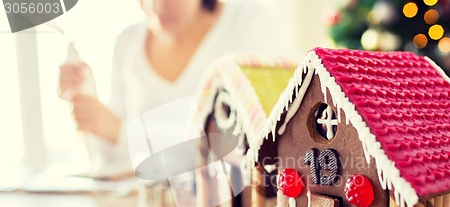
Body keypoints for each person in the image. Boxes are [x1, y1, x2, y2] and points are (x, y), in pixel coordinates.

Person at [59, 0, 285, 177]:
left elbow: (250, 145)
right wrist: (87, 100)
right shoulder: (127, 42)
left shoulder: (247, 22)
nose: (156, 6)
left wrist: (123, 132)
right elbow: (113, 163)